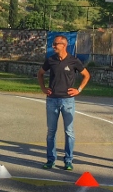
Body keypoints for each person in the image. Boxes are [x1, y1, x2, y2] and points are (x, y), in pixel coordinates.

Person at [37, 35, 91, 171]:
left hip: (67, 100)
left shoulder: (73, 61)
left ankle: (68, 160)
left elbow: (86, 75)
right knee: (51, 132)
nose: (53, 46)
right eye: (53, 44)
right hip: (52, 100)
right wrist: (43, 88)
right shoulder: (51, 60)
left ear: (64, 45)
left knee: (69, 132)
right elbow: (40, 73)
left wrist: (78, 89)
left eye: (56, 44)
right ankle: (50, 160)